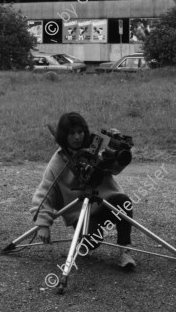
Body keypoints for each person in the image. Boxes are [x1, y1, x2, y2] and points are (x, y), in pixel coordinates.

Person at [30, 112, 136, 268]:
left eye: (80, 132)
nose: (77, 137)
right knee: (90, 244)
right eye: (72, 133)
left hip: (106, 203)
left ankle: (125, 251)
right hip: (82, 212)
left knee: (124, 202)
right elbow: (45, 192)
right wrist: (43, 223)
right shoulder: (58, 161)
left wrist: (120, 154)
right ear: (63, 136)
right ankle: (84, 239)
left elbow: (114, 170)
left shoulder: (94, 148)